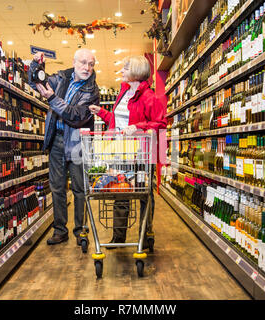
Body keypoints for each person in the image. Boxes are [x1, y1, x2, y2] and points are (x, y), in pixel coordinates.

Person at [89, 55, 167, 249]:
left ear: (136, 72)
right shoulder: (123, 92)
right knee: (120, 192)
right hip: (120, 151)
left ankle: (146, 235)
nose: (121, 71)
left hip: (141, 153)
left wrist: (138, 126)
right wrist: (101, 112)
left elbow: (160, 124)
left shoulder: (150, 97)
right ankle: (118, 237)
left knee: (144, 194)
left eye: (125, 68)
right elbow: (118, 123)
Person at [28, 49, 99, 246]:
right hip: (57, 141)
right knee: (57, 188)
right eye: (83, 63)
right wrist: (36, 66)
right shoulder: (60, 78)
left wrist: (52, 99)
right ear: (74, 62)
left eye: (91, 64)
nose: (87, 68)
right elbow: (35, 83)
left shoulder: (92, 91)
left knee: (79, 188)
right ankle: (60, 230)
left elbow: (75, 115)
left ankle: (80, 230)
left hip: (78, 143)